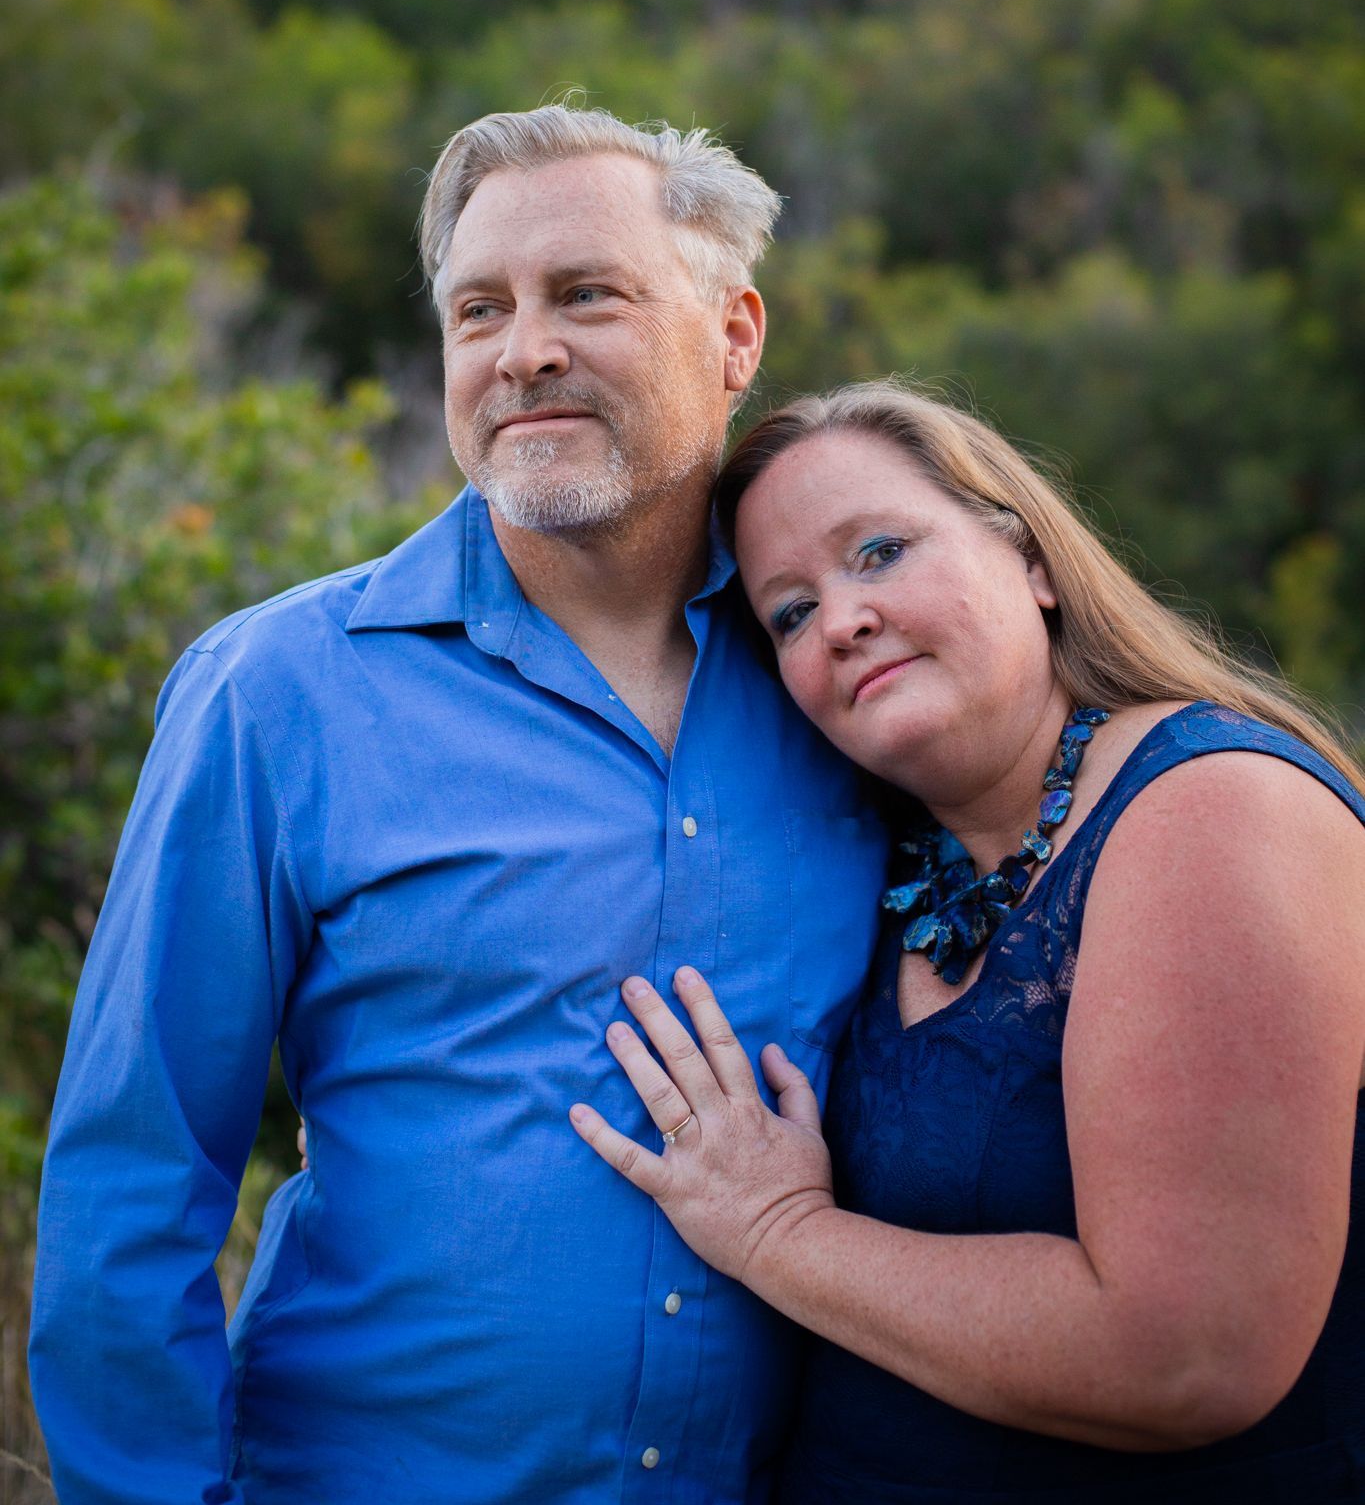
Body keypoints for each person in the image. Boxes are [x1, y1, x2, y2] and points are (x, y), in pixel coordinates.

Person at [27, 109, 890, 1505]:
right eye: (478, 308)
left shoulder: (847, 679)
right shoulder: (278, 693)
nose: (523, 350)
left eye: (586, 295)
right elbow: (134, 1180)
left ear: (735, 337)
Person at [571, 380, 1365, 1502]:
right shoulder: (884, 863)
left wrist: (778, 1230)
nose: (841, 618)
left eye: (881, 551)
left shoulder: (1213, 808)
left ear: (1032, 561)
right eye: (789, 612)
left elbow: (1188, 1351)